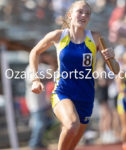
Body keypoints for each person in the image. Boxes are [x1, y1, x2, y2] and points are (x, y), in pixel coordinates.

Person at [29, 1, 119, 150]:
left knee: (71, 142)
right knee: (71, 124)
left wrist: (112, 57)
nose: (84, 15)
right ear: (70, 15)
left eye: (87, 13)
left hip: (86, 96)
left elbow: (115, 69)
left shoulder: (96, 38)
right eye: (80, 12)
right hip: (63, 92)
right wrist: (35, 79)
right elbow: (34, 52)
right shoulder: (58, 36)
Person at [25, 53, 53, 150]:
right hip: (34, 102)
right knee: (39, 124)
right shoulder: (29, 68)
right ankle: (34, 144)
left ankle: (38, 142)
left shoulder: (42, 67)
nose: (40, 57)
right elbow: (32, 81)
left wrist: (50, 61)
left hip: (42, 101)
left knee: (45, 123)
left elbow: (52, 73)